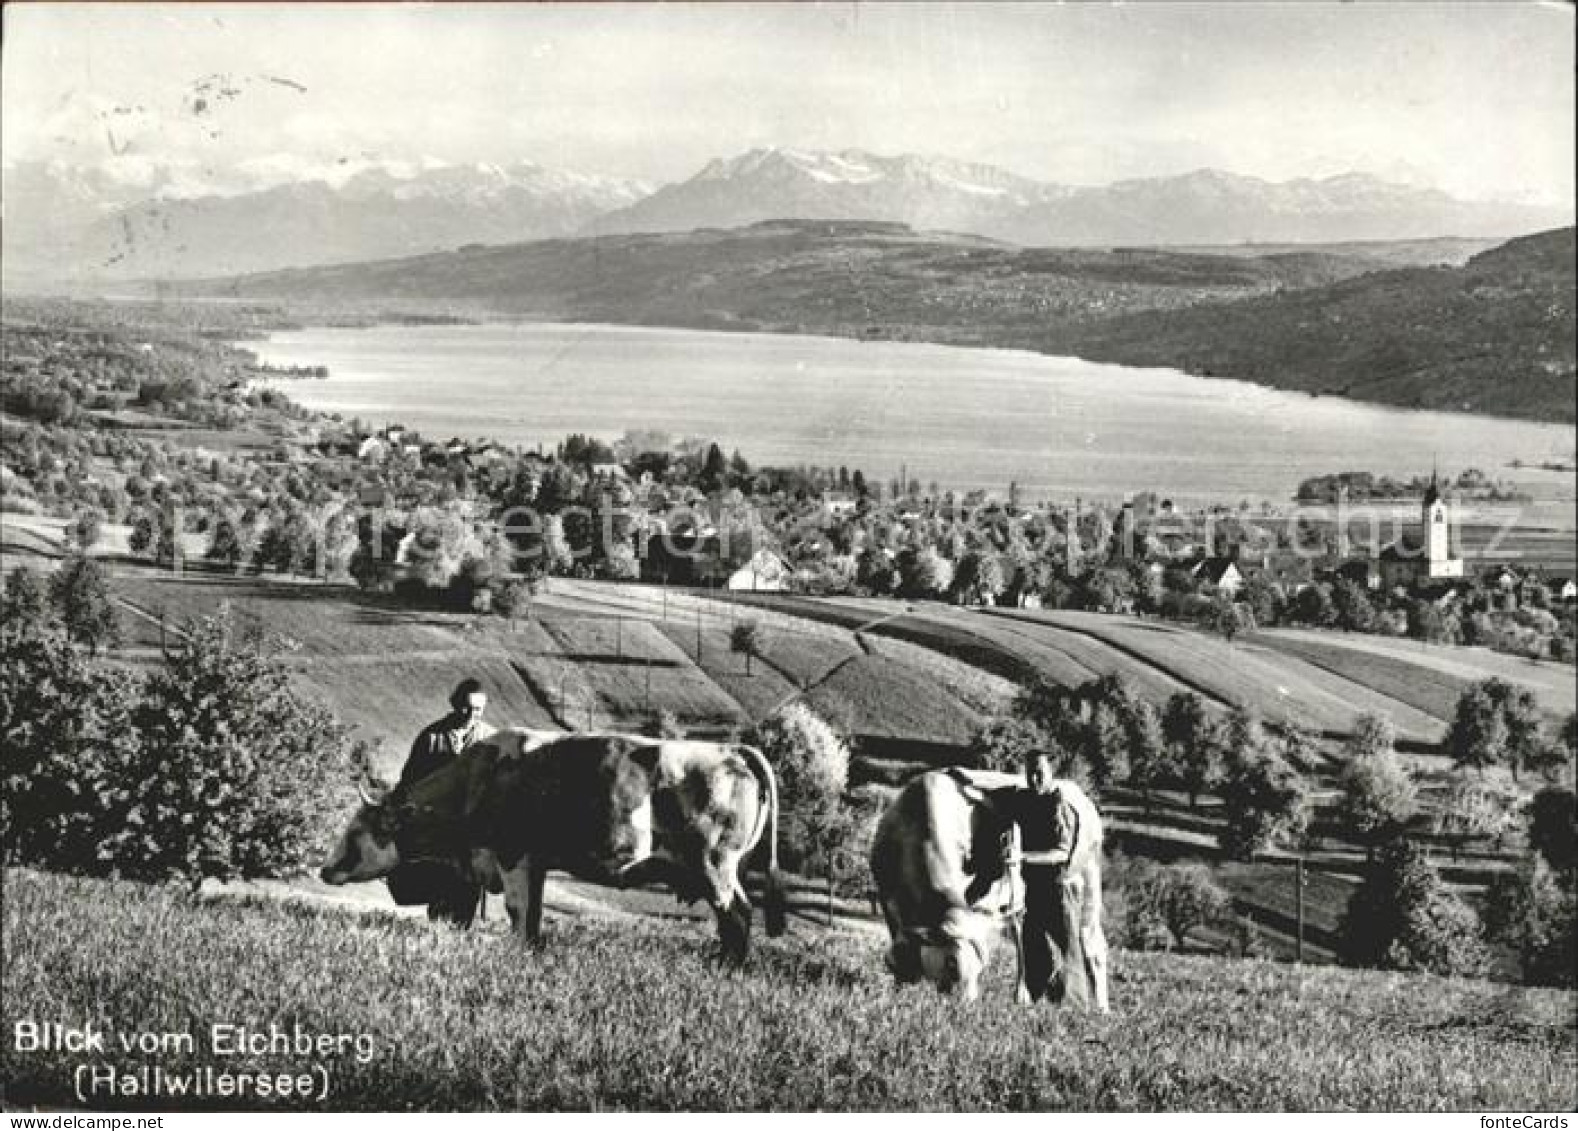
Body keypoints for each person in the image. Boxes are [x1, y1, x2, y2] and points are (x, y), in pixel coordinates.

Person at [387, 679, 498, 926]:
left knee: (469, 882)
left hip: (473, 826)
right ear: (455, 704)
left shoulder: (491, 739)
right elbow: (411, 781)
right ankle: (439, 929)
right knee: (441, 877)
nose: (471, 715)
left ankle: (460, 931)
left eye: (478, 710)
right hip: (438, 825)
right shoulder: (432, 737)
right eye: (467, 708)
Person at [1001, 751, 1091, 1006]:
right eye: (1029, 772)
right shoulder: (1029, 801)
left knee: (1069, 948)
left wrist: (1022, 857)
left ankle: (1075, 1009)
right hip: (1036, 887)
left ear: (1052, 773)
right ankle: (1038, 1000)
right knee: (1033, 943)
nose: (1034, 778)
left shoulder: (1058, 806)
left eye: (1039, 772)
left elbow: (1061, 853)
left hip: (1061, 887)